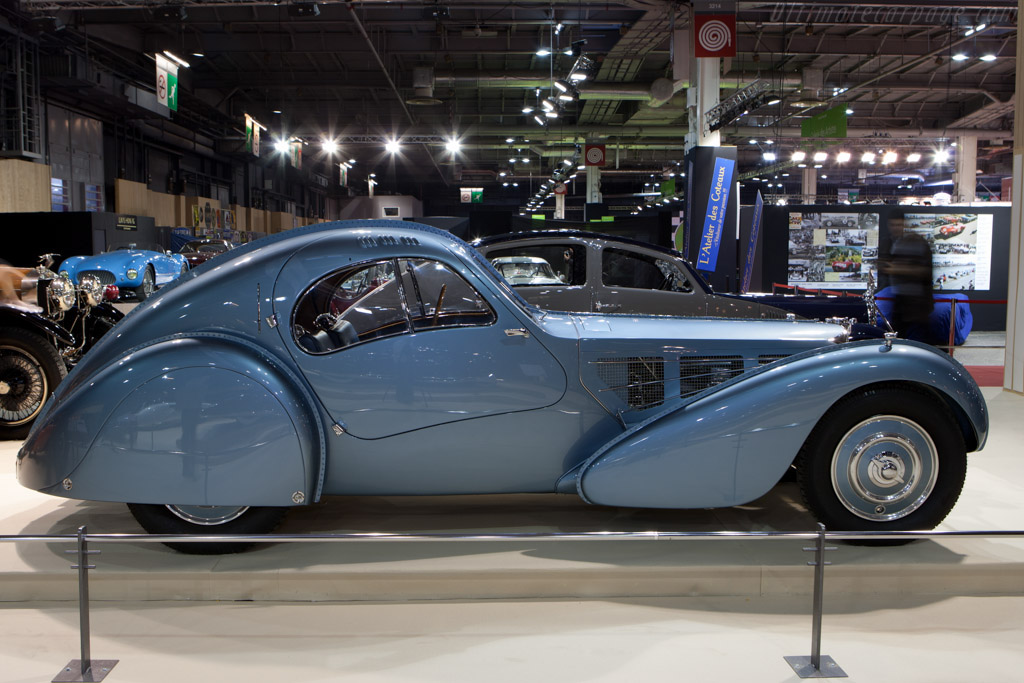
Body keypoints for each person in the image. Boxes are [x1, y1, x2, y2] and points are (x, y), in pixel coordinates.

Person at [880, 216, 936, 343]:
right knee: (897, 339)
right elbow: (883, 266)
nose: (895, 228)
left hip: (918, 303)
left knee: (920, 341)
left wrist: (897, 269)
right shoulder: (891, 243)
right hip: (901, 302)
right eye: (893, 225)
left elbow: (922, 271)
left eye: (899, 225)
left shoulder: (916, 242)